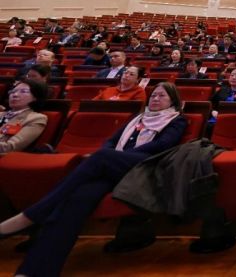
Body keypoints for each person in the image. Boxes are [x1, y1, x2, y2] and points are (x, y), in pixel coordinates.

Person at [0, 83, 186, 276]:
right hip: (114, 168)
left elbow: (162, 146)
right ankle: (33, 271)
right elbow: (111, 141)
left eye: (161, 96)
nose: (155, 99)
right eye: (153, 95)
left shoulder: (176, 120)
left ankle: (32, 214)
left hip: (145, 167)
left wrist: (117, 156)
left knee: (101, 156)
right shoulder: (137, 118)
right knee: (75, 202)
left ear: (173, 101)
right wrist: (113, 154)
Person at [0, 79, 48, 154]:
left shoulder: (36, 118)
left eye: (23, 91)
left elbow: (10, 147)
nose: (15, 95)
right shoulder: (1, 114)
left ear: (35, 97)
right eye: (13, 91)